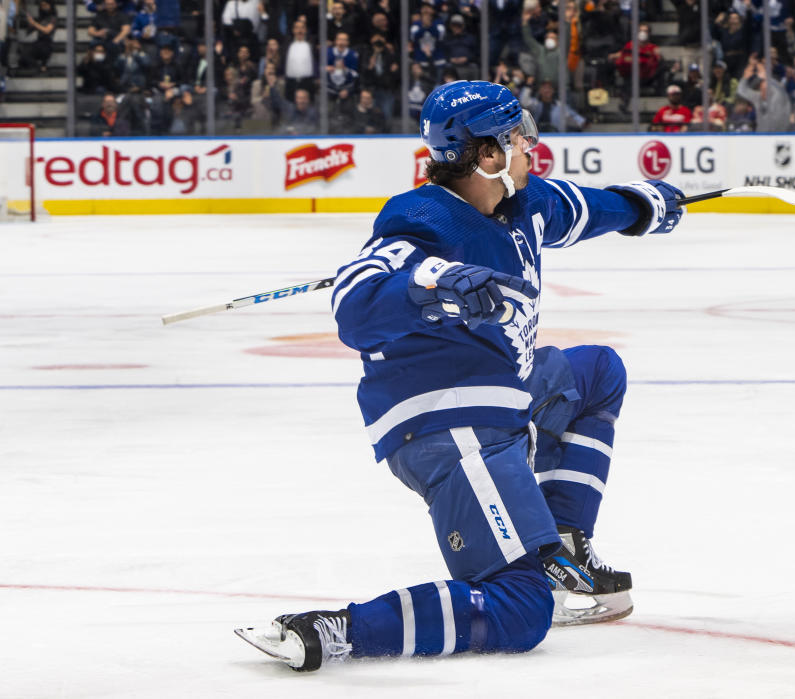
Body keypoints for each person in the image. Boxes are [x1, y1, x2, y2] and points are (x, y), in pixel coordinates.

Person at [236, 80, 684, 672]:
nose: (532, 145)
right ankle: (338, 629)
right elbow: (355, 306)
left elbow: (585, 207)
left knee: (595, 371)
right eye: (517, 137)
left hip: (503, 398)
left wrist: (641, 209)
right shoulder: (421, 221)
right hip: (446, 422)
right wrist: (432, 288)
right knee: (521, 610)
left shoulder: (525, 203)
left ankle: (561, 544)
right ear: (488, 156)